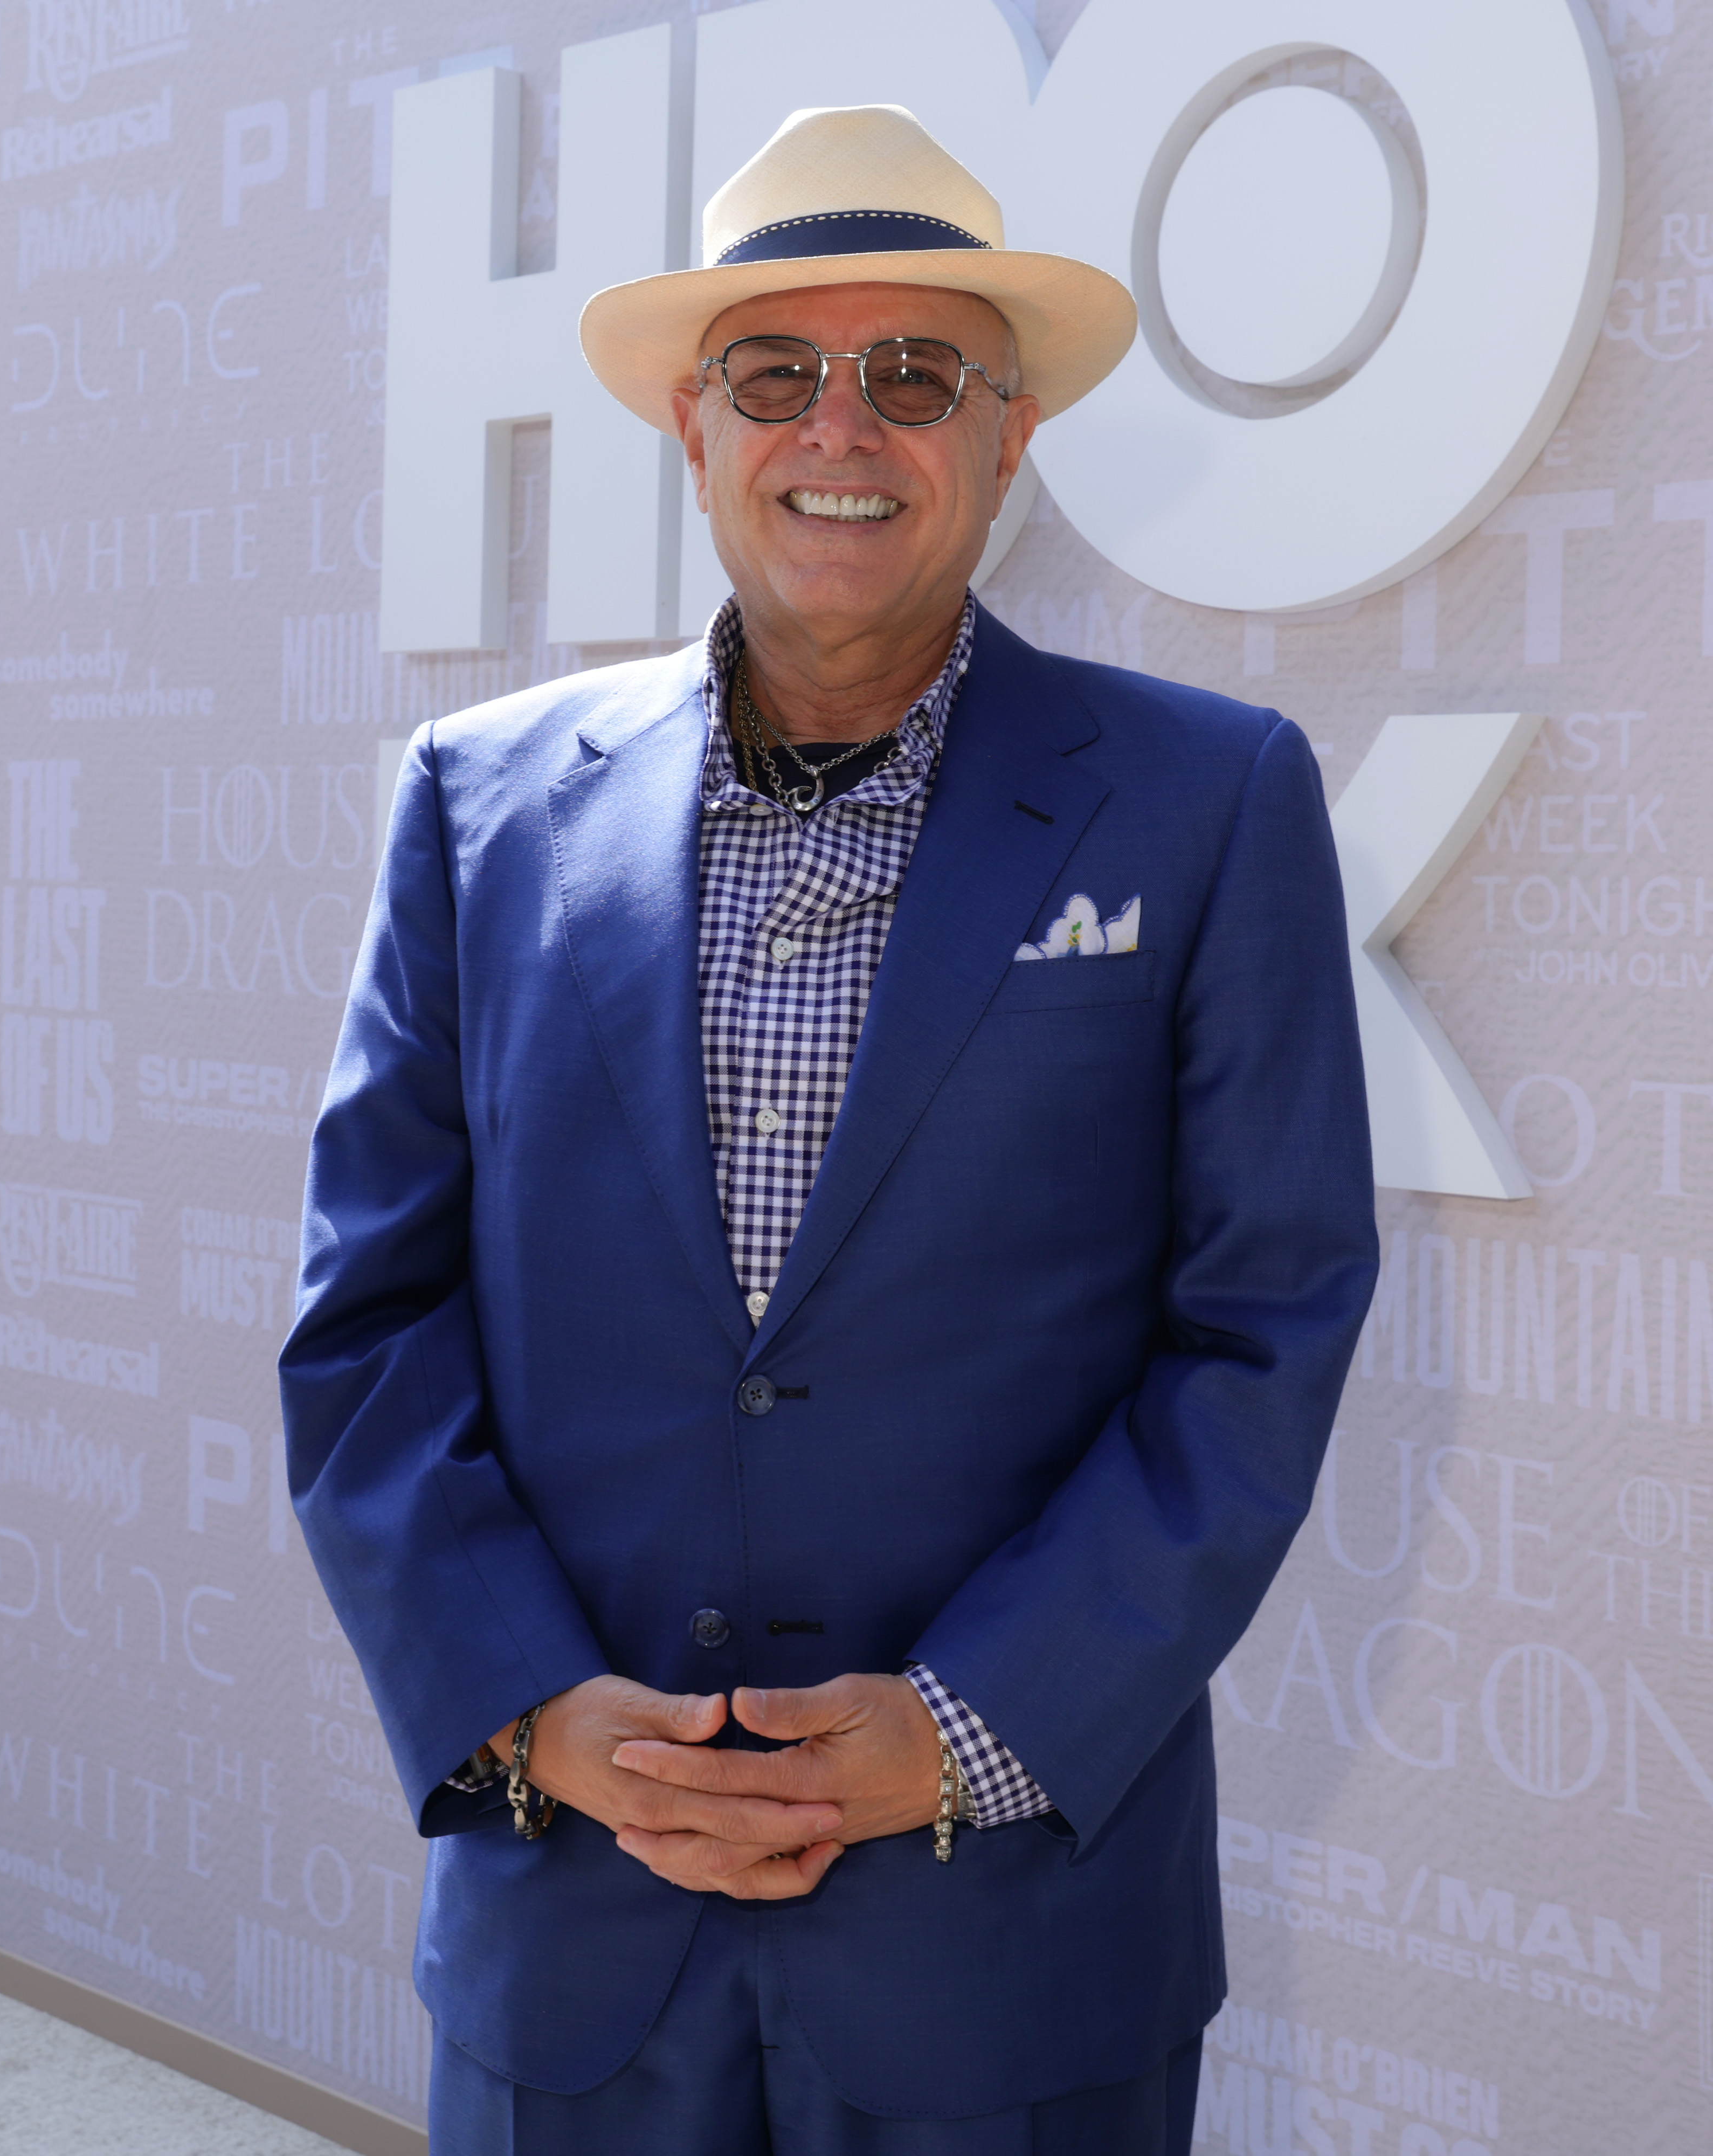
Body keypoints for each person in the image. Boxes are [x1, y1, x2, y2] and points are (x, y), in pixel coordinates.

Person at [280, 103, 1377, 2156]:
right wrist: (534, 1720)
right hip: (572, 1925)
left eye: (915, 376)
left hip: (1019, 1941)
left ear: (1009, 433)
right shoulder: (473, 802)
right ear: (696, 428)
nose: (841, 430)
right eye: (778, 374)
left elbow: (1265, 1331)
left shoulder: (1212, 801)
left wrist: (960, 1734)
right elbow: (368, 1330)